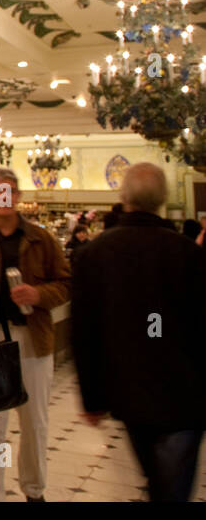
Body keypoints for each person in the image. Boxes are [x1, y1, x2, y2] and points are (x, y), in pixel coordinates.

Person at [72, 162, 206, 502]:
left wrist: (92, 398)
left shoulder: (94, 254)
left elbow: (85, 331)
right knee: (172, 486)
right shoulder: (189, 253)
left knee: (157, 476)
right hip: (186, 391)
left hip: (129, 390)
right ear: (162, 200)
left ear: (123, 197)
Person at [0, 167, 72, 503]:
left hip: (33, 339)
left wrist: (38, 295)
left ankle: (33, 489)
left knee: (34, 422)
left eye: (10, 191)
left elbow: (67, 283)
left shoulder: (41, 239)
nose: (4, 197)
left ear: (19, 197)